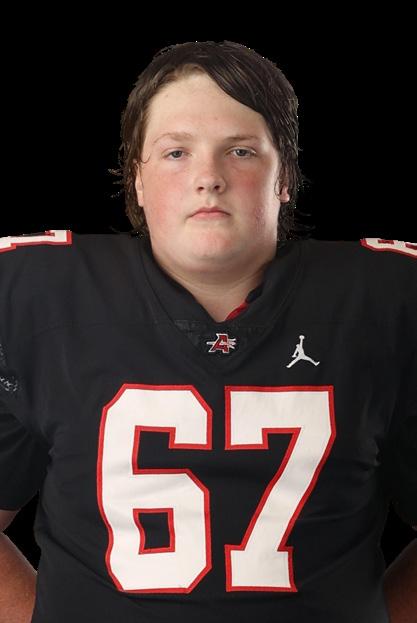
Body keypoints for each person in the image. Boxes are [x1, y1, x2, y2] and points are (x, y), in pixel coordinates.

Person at [0, 40, 416, 623]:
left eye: (240, 151)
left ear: (284, 177)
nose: (208, 178)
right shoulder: (38, 297)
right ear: (136, 180)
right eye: (176, 152)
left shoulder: (385, 301)